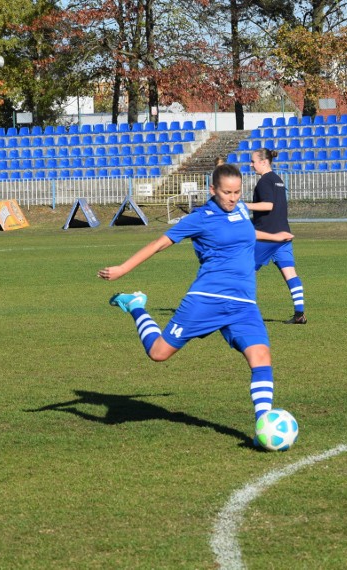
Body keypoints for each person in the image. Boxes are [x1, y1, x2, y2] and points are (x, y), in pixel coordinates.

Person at [98, 163, 293, 426]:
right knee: (158, 353)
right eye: (227, 192)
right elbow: (159, 244)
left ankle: (263, 425)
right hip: (207, 299)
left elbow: (243, 233)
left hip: (244, 304)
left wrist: (273, 236)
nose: (233, 198)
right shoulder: (199, 218)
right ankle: (135, 305)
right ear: (213, 189)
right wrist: (123, 268)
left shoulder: (242, 210)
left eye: (237, 192)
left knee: (261, 357)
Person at [246, 148, 307, 324]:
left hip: (266, 237)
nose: (251, 165)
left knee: (245, 274)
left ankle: (242, 312)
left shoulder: (265, 181)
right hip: (284, 235)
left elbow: (268, 206)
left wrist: (244, 206)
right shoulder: (278, 180)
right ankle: (299, 314)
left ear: (264, 162)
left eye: (253, 161)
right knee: (291, 275)